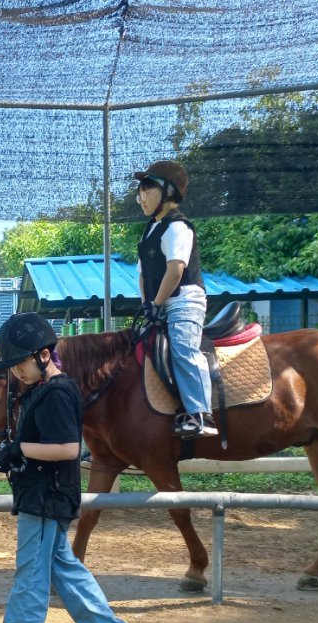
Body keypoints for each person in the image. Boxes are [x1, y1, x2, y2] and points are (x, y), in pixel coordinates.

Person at [0, 312, 138, 623]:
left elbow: (67, 449)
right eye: (13, 367)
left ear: (44, 355)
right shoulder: (41, 391)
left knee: (31, 575)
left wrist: (19, 450)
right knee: (62, 569)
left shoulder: (58, 392)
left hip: (46, 499)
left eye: (21, 364)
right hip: (42, 493)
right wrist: (14, 456)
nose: (17, 372)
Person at [134, 160, 217, 439]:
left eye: (147, 190)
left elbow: (175, 270)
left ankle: (201, 414)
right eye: (139, 192)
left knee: (183, 347)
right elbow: (143, 274)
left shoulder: (178, 227)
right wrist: (147, 304)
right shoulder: (150, 229)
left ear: (168, 191)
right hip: (159, 304)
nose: (141, 197)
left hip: (184, 302)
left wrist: (156, 303)